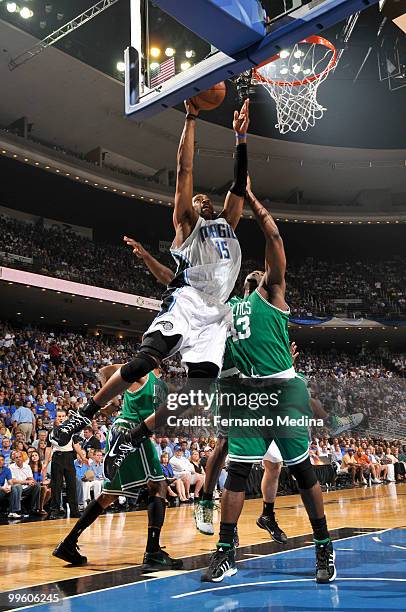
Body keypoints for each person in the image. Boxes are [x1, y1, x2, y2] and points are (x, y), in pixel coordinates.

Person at [50, 100, 250, 485]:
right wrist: (191, 119)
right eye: (195, 201)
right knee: (143, 362)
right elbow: (185, 168)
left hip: (215, 315)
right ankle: (82, 417)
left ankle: (132, 437)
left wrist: (241, 138)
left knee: (195, 397)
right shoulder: (188, 223)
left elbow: (239, 185)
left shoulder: (228, 222)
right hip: (188, 299)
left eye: (205, 199)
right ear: (184, 214)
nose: (201, 199)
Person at [53, 366, 183, 571]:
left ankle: (68, 544)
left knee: (108, 495)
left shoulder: (162, 385)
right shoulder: (143, 371)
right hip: (131, 432)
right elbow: (105, 370)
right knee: (158, 486)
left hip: (126, 432)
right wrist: (110, 398)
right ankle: (153, 552)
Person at [42, 409, 87, 520]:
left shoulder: (71, 430)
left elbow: (76, 446)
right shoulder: (51, 432)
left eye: (62, 416)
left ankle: (74, 511)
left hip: (69, 458)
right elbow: (48, 449)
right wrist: (45, 463)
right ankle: (55, 511)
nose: (61, 418)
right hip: (57, 458)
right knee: (56, 486)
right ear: (56, 418)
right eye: (59, 416)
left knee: (72, 485)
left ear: (66, 417)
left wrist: (83, 457)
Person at [9, 451, 42, 516]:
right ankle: (17, 510)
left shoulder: (27, 466)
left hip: (26, 488)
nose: (18, 458)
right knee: (18, 486)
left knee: (37, 485)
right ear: (14, 459)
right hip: (16, 489)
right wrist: (26, 482)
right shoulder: (11, 467)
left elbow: (30, 478)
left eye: (20, 457)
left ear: (22, 457)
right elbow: (13, 481)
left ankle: (34, 508)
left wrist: (32, 482)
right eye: (16, 457)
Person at [0, 454, 21, 519]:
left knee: (15, 487)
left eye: (2, 460)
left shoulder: (6, 469)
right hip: (1, 489)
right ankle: (15, 510)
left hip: (2, 490)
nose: (0, 462)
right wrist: (2, 488)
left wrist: (9, 487)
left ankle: (13, 512)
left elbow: (10, 483)